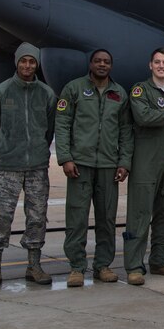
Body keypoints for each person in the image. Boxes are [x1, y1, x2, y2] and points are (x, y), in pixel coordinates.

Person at [0, 43, 57, 290]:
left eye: (32, 62)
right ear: (17, 63)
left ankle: (34, 266)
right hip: (5, 167)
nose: (27, 66)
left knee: (37, 217)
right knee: (0, 218)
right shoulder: (2, 92)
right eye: (23, 61)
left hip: (36, 167)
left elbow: (49, 129)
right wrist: (4, 152)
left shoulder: (46, 94)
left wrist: (36, 150)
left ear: (37, 64)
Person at [55, 49, 133, 288]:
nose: (102, 65)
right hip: (80, 164)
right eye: (98, 61)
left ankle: (103, 266)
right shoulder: (74, 89)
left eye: (106, 62)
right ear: (90, 64)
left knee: (107, 219)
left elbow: (125, 131)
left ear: (111, 66)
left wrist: (124, 162)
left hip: (109, 166)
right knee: (77, 217)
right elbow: (62, 123)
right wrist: (65, 157)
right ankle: (77, 268)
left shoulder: (119, 93)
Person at [123, 48, 164, 286]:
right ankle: (134, 266)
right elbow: (143, 116)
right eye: (157, 62)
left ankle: (160, 260)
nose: (161, 66)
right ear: (150, 66)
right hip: (144, 162)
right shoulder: (140, 90)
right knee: (139, 214)